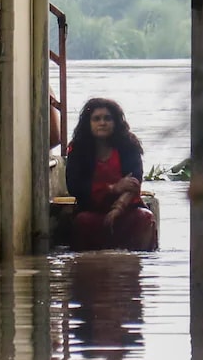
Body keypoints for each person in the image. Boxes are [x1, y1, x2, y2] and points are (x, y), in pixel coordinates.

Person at [64, 98, 157, 251]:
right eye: (96, 119)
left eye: (107, 118)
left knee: (145, 217)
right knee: (82, 221)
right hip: (93, 211)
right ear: (88, 123)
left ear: (115, 122)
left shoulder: (128, 146)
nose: (102, 123)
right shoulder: (78, 149)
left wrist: (118, 209)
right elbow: (75, 186)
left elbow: (134, 182)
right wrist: (112, 188)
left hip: (127, 210)